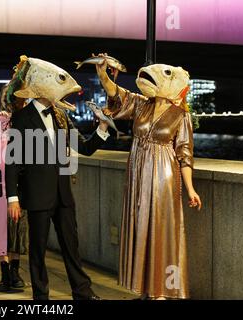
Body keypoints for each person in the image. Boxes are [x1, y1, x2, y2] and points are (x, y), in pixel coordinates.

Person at [96, 54, 202, 299]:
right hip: (138, 173)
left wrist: (190, 188)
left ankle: (163, 290)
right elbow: (117, 95)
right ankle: (145, 287)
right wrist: (103, 75)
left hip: (164, 176)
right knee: (140, 225)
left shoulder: (180, 115)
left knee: (162, 229)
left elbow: (184, 153)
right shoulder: (142, 104)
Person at [4, 56, 110, 300]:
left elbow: (83, 147)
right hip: (37, 194)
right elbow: (12, 161)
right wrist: (12, 198)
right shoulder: (22, 118)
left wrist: (102, 129)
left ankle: (83, 292)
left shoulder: (61, 116)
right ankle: (41, 297)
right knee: (38, 251)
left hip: (63, 195)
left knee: (71, 248)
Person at [0, 210, 28, 292]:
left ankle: (14, 273)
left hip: (20, 200)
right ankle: (5, 275)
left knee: (19, 231)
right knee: (1, 232)